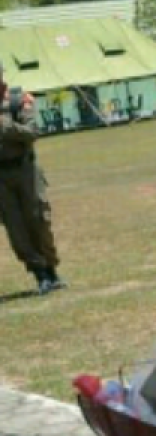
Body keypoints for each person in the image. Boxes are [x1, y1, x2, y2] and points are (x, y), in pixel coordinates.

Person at [0, 63, 64, 295]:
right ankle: (40, 274)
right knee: (16, 229)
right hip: (1, 178)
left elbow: (33, 132)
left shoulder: (18, 99)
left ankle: (52, 269)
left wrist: (5, 125)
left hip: (25, 169)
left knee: (38, 220)